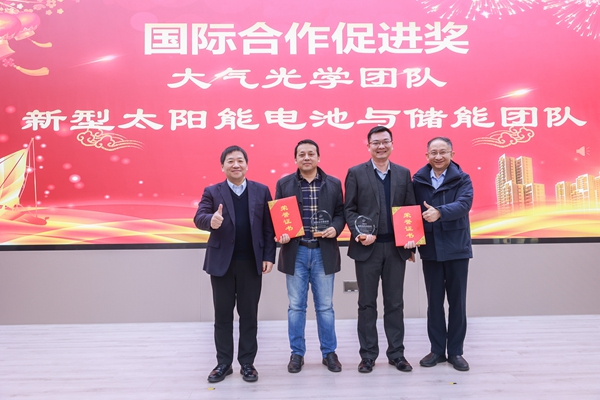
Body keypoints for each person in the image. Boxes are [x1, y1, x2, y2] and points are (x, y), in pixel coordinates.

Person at [193, 145, 276, 383]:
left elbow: (268, 227)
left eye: (240, 160)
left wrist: (269, 256)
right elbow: (199, 217)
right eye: (230, 161)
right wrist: (211, 220)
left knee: (249, 315)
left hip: (251, 263)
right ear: (223, 166)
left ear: (247, 165)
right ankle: (224, 363)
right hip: (222, 264)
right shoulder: (212, 191)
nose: (236, 165)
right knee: (222, 316)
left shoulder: (261, 190)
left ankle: (247, 364)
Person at [344, 126, 417, 374]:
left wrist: (411, 241)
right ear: (368, 146)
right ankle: (367, 356)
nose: (381, 146)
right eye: (376, 142)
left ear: (392, 144)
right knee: (366, 304)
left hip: (396, 249)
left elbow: (409, 210)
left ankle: (397, 354)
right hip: (367, 249)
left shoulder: (403, 173)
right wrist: (358, 233)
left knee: (395, 303)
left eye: (385, 141)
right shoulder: (356, 173)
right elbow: (349, 209)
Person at [274, 139, 345, 374]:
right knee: (296, 307)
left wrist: (335, 227)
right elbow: (278, 217)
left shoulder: (333, 183)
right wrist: (281, 233)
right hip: (296, 251)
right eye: (302, 154)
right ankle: (297, 353)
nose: (306, 157)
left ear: (318, 157)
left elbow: (340, 213)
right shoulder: (284, 184)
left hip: (324, 251)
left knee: (325, 307)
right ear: (295, 159)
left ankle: (329, 353)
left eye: (311, 154)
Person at [412, 137, 473, 372]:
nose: (438, 156)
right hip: (431, 249)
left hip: (457, 248)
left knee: (457, 302)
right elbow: (410, 213)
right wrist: (409, 245)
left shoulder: (462, 179)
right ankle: (437, 350)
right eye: (434, 152)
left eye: (443, 152)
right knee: (434, 303)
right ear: (427, 155)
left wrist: (439, 212)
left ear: (452, 154)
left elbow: (464, 204)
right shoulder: (418, 181)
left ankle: (456, 352)